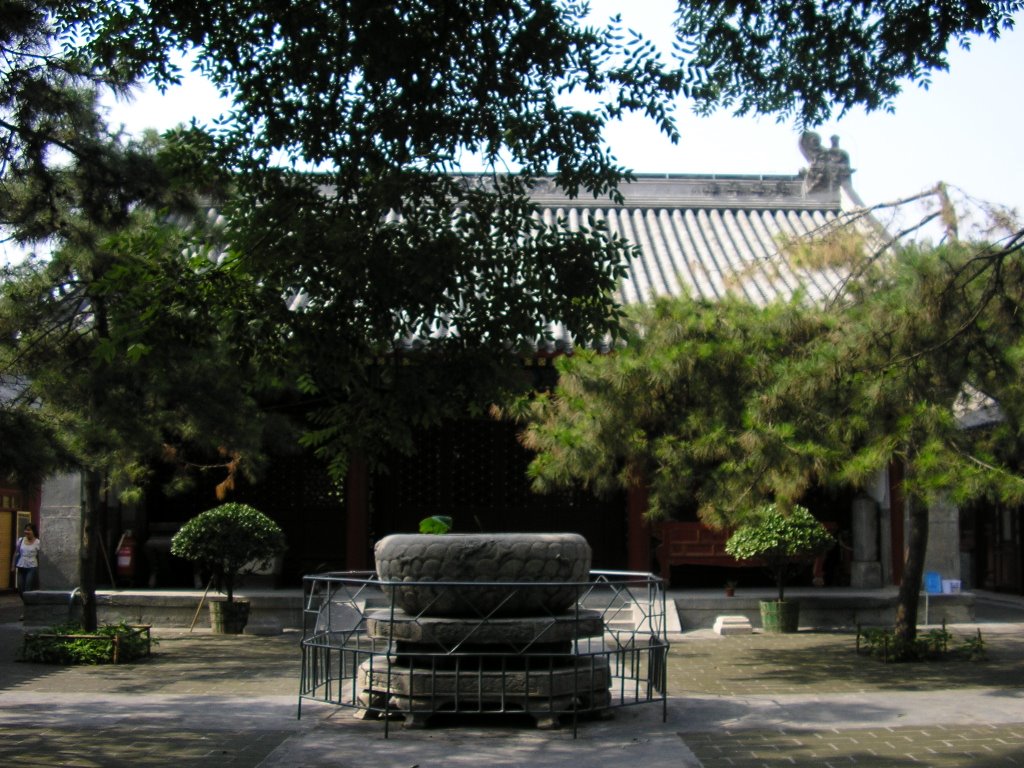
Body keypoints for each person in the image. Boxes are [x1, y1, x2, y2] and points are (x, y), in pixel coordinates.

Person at [12, 523, 41, 594]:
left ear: (33, 531)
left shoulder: (38, 542)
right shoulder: (21, 540)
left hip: (32, 566)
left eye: (29, 530)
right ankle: (25, 600)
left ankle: (28, 602)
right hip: (21, 565)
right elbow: (16, 553)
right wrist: (13, 565)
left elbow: (39, 556)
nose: (26, 532)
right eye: (25, 530)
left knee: (28, 586)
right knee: (20, 586)